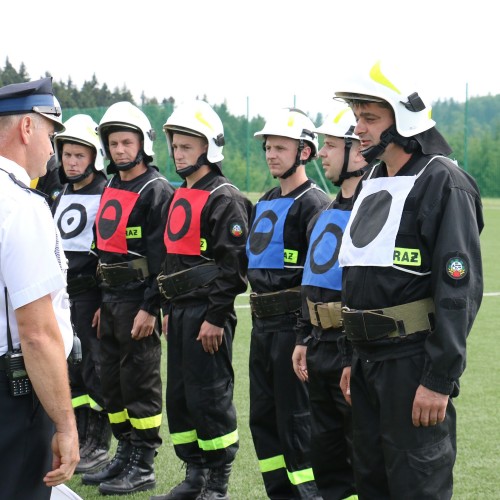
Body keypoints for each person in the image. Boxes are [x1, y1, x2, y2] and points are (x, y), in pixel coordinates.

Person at [334, 60, 484, 500]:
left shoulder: (443, 181)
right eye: (357, 117)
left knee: (417, 484)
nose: (358, 129)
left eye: (370, 118)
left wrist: (439, 379)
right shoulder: (373, 180)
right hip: (366, 362)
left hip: (411, 362)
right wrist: (350, 355)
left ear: (404, 121)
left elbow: (459, 290)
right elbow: (357, 276)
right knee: (372, 481)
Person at [151, 100, 252, 500]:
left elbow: (234, 267)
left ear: (208, 148)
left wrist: (215, 315)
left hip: (207, 315)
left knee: (210, 397)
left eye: (187, 146)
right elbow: (171, 258)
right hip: (179, 313)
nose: (178, 153)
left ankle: (217, 483)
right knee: (180, 398)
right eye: (175, 146)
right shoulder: (180, 194)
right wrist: (167, 309)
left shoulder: (224, 197)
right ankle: (193, 476)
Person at [81, 101, 175, 495]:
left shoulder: (157, 191)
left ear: (143, 143)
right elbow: (105, 250)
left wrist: (151, 307)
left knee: (140, 381)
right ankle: (124, 452)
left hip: (139, 301)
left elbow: (162, 256)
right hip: (111, 299)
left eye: (126, 142)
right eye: (113, 143)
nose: (119, 150)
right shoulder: (112, 186)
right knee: (113, 382)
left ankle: (144, 463)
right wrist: (104, 303)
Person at [0, 77, 79, 498]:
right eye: (50, 134)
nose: (53, 150)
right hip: (12, 403)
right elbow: (36, 331)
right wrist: (66, 425)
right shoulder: (20, 206)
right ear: (26, 129)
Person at [247, 108, 330, 499]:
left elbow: (317, 282)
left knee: (297, 423)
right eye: (268, 147)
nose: (271, 155)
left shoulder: (314, 204)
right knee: (263, 420)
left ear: (306, 152)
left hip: (292, 330)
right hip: (262, 329)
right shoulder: (264, 201)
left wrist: (304, 335)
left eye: (280, 147)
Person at [292, 107, 367, 500]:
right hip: (320, 344)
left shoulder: (373, 210)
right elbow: (312, 281)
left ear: (357, 152)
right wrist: (304, 336)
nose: (321, 153)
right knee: (325, 453)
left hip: (352, 349)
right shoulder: (323, 213)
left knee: (362, 453)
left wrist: (355, 356)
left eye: (331, 145)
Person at [51, 114, 111, 474]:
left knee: (94, 371)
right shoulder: (59, 191)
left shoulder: (105, 192)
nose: (71, 162)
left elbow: (109, 251)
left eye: (79, 156)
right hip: (63, 296)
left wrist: (105, 300)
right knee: (69, 372)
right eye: (67, 154)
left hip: (91, 297)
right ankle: (80, 436)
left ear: (94, 158)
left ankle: (98, 442)